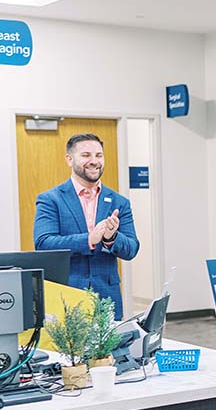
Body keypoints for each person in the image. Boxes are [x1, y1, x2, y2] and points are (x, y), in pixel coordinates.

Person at [34, 133, 139, 319]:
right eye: (86, 155)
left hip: (107, 298)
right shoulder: (50, 199)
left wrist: (111, 238)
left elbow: (131, 249)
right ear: (69, 159)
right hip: (66, 296)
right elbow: (43, 243)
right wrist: (89, 239)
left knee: (108, 349)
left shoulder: (119, 202)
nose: (94, 161)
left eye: (99, 155)